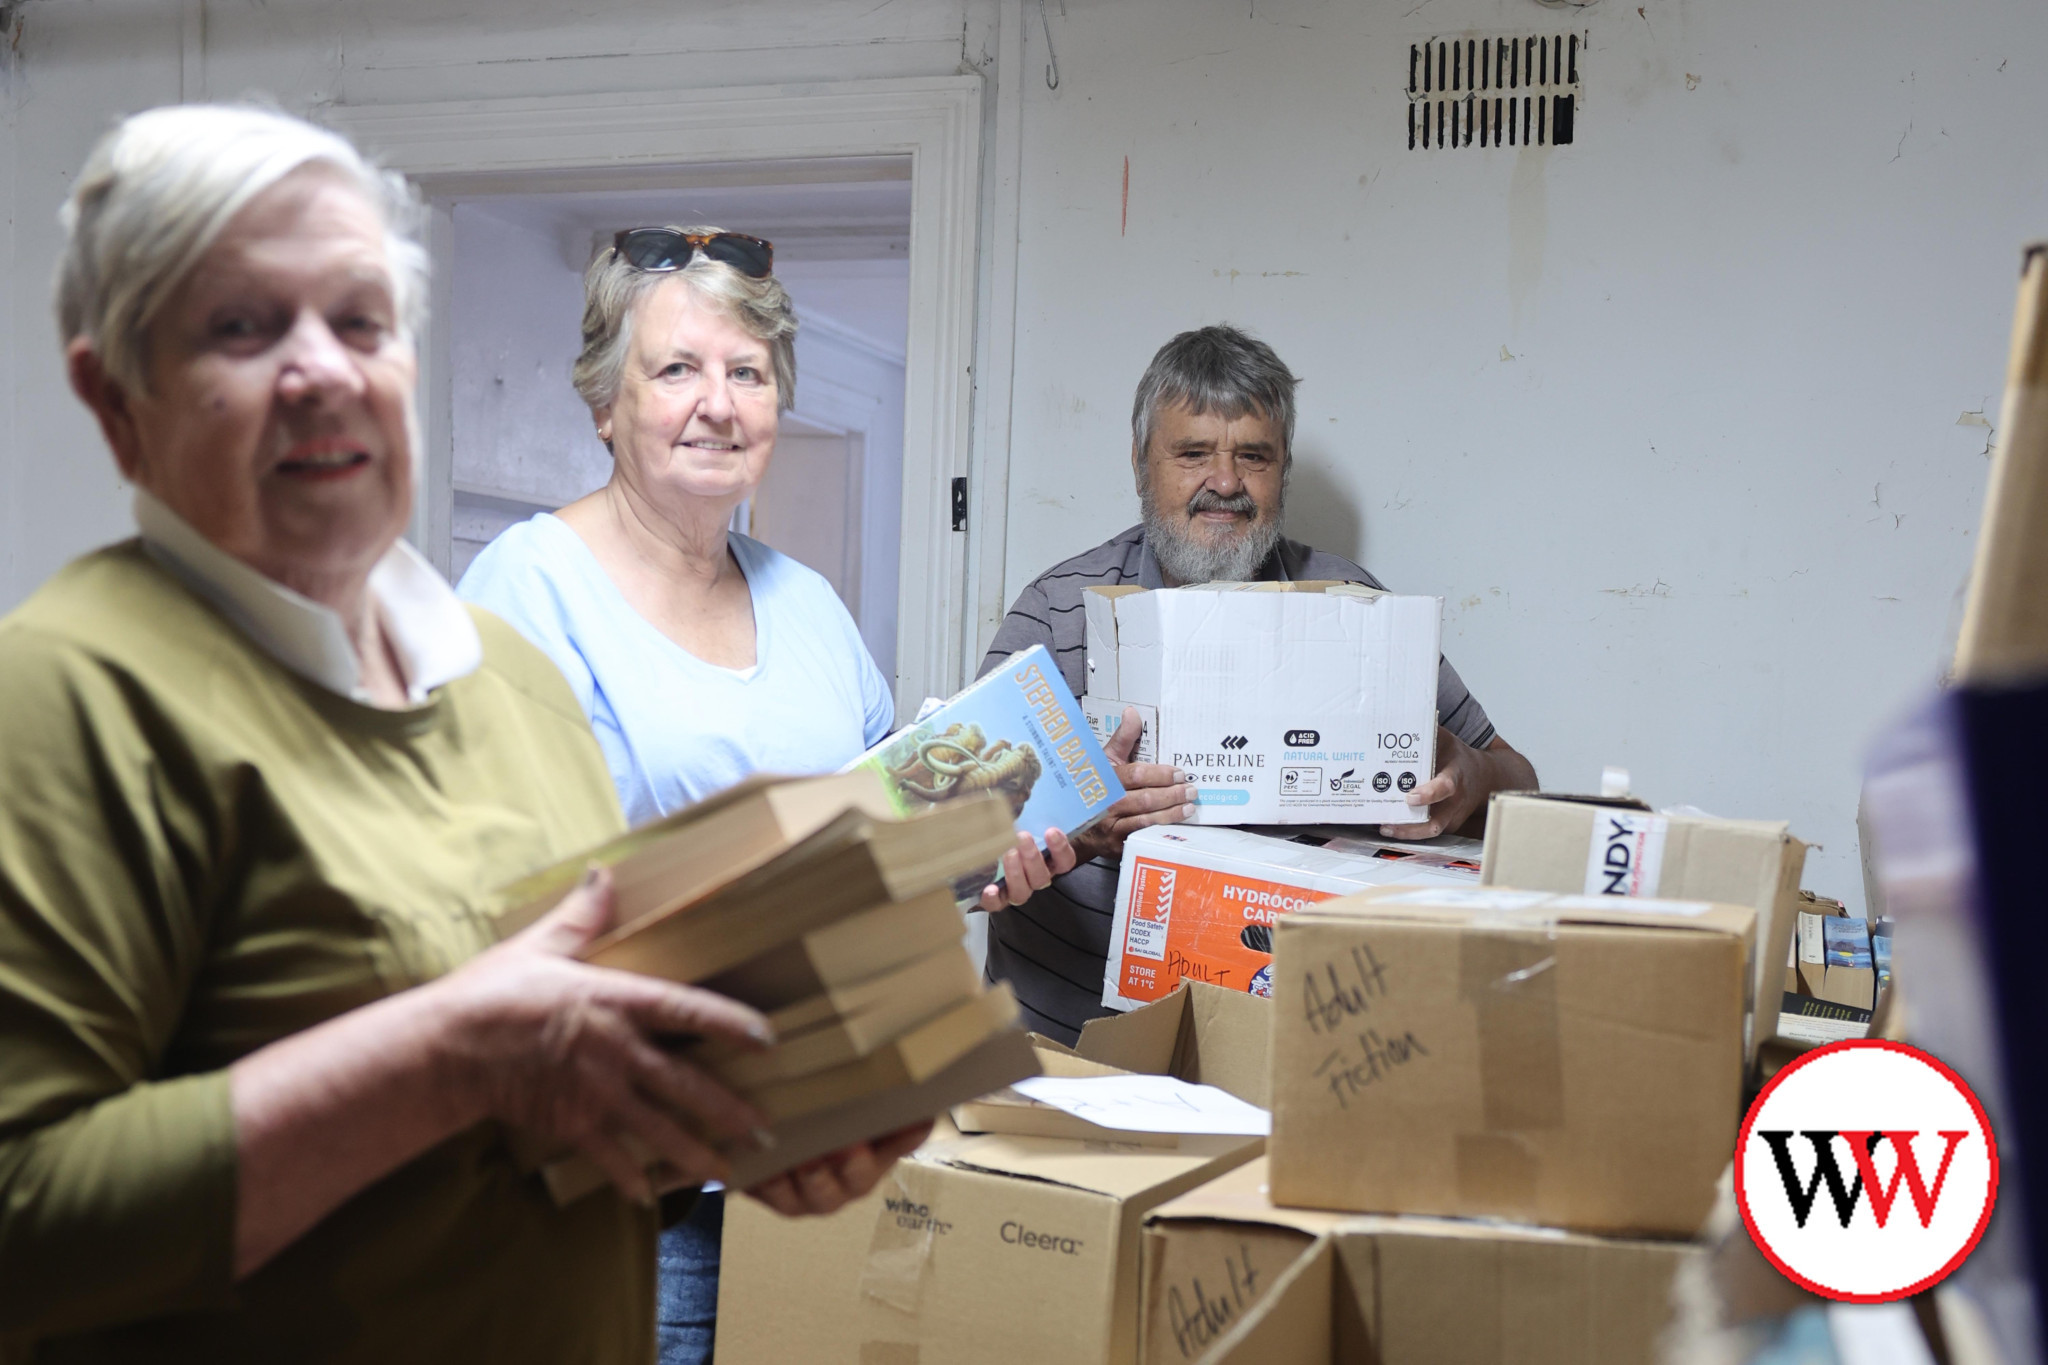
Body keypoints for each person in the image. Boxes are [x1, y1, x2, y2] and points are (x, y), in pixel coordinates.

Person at [0, 104, 915, 1365]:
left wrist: (749, 1124)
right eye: (242, 326)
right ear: (115, 400)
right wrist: (446, 1060)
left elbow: (572, 1094)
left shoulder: (503, 686)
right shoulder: (67, 697)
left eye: (360, 320)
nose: (324, 368)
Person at [456, 225, 1074, 1364]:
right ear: (604, 403)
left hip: (820, 1145)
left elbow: (889, 844)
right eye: (676, 369)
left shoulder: (809, 605)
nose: (718, 404)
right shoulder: (524, 591)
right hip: (635, 1183)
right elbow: (491, 902)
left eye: (747, 374)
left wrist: (988, 856)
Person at [980, 324, 1539, 1044]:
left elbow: (1520, 784)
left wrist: (1468, 777)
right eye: (1192, 454)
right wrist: (1080, 819)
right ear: (1140, 462)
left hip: (1292, 1043)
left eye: (1254, 456)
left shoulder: (1354, 608)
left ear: (1283, 469)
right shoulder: (1057, 614)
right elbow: (957, 839)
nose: (1225, 482)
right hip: (1070, 1042)